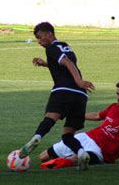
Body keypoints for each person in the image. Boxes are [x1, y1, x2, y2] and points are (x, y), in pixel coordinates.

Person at [18, 22, 95, 171]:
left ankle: (37, 137)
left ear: (50, 34)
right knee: (68, 136)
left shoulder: (52, 47)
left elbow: (66, 62)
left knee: (49, 118)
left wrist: (78, 81)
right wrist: (46, 64)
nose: (40, 42)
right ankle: (82, 153)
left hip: (64, 90)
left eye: (41, 38)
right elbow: (65, 62)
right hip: (80, 96)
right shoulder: (64, 45)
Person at [39, 80, 119, 170]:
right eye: (118, 93)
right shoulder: (114, 107)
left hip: (100, 152)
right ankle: (61, 161)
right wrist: (76, 114)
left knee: (78, 159)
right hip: (86, 138)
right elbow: (97, 116)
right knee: (43, 156)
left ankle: (61, 162)